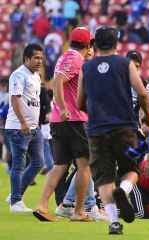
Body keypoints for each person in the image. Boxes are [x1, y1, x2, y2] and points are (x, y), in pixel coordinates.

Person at [77, 26, 149, 235]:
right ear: (116, 43)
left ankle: (114, 222)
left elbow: (79, 101)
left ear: (94, 44)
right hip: (124, 129)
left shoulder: (87, 67)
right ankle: (125, 190)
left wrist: (93, 112)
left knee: (104, 177)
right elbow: (143, 93)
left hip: (96, 131)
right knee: (132, 168)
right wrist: (148, 114)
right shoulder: (125, 63)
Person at [33, 27, 92, 222]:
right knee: (84, 165)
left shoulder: (64, 56)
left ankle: (42, 205)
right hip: (73, 120)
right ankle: (78, 211)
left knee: (60, 165)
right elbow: (58, 81)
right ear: (88, 44)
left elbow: (57, 79)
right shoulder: (75, 58)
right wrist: (64, 106)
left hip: (59, 121)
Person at [5, 43, 44, 213]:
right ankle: (16, 202)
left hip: (34, 127)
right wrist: (22, 122)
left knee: (39, 163)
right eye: (36, 58)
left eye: (41, 58)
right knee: (18, 165)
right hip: (18, 127)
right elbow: (15, 98)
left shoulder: (36, 76)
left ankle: (16, 192)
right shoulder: (18, 75)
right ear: (26, 58)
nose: (39, 61)